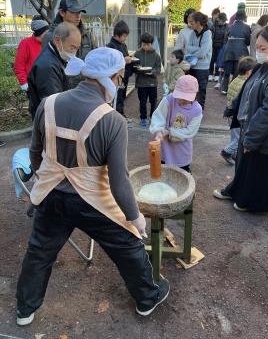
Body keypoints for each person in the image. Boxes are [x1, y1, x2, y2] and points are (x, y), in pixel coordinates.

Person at [16, 47, 170, 327]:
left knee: (39, 252)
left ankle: (25, 309)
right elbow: (119, 180)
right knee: (127, 243)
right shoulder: (113, 121)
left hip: (50, 193)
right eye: (120, 77)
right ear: (113, 77)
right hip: (91, 200)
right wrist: (135, 219)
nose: (120, 82)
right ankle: (147, 298)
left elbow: (35, 152)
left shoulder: (47, 104)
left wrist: (44, 179)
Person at [213, 25, 268, 212]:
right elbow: (248, 88)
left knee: (260, 171)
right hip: (252, 125)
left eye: (263, 49)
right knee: (245, 166)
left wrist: (251, 138)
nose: (258, 52)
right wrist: (233, 108)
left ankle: (254, 204)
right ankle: (236, 191)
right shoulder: (266, 65)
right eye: (257, 47)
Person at [27, 22, 81, 119]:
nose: (74, 53)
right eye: (72, 48)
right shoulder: (47, 67)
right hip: (48, 120)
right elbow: (54, 104)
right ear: (57, 41)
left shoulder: (56, 55)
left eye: (77, 49)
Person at [149, 75, 202, 173]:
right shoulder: (169, 100)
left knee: (181, 173)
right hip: (165, 146)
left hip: (182, 150)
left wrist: (170, 132)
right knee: (163, 170)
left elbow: (190, 131)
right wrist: (158, 131)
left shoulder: (197, 110)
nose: (181, 100)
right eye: (179, 96)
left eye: (185, 98)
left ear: (195, 95)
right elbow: (158, 116)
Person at [42, 0, 95, 87]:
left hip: (85, 87)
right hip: (64, 90)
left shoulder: (86, 35)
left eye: (79, 12)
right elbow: (48, 69)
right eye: (73, 12)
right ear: (62, 12)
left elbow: (94, 57)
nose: (78, 16)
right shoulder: (52, 37)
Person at [221, 56, 256, 165]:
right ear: (249, 72)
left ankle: (235, 155)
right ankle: (226, 152)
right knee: (238, 140)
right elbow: (240, 102)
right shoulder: (245, 84)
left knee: (234, 137)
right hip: (237, 116)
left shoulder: (235, 80)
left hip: (230, 114)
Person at [107, 20, 134, 117]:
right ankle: (115, 115)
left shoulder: (123, 45)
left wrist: (129, 59)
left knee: (122, 95)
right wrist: (124, 59)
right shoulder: (111, 45)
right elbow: (110, 62)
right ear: (118, 34)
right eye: (124, 36)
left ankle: (120, 113)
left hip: (124, 75)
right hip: (116, 76)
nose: (126, 38)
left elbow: (126, 56)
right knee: (116, 96)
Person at [134, 33, 161, 127]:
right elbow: (134, 67)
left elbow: (158, 69)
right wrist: (138, 68)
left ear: (151, 44)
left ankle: (153, 117)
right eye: (144, 44)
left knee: (153, 101)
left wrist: (152, 72)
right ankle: (143, 118)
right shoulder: (137, 54)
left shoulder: (156, 55)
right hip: (141, 83)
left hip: (152, 83)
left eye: (148, 44)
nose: (145, 46)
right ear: (141, 44)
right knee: (142, 102)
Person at [14, 19, 49, 91]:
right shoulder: (25, 43)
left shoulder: (48, 43)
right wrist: (24, 83)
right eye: (46, 33)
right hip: (33, 85)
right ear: (40, 33)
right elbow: (19, 66)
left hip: (48, 83)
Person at [186, 11, 212, 109]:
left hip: (203, 67)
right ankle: (191, 109)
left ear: (198, 22)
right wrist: (198, 49)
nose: (190, 24)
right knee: (191, 89)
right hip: (192, 65)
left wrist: (194, 50)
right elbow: (188, 47)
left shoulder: (207, 33)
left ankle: (199, 111)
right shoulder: (193, 33)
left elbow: (203, 53)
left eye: (191, 22)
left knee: (201, 90)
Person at [221, 10, 251, 94]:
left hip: (229, 51)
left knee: (227, 71)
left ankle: (224, 89)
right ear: (244, 17)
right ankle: (233, 90)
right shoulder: (247, 27)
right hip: (241, 52)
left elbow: (225, 39)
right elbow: (248, 41)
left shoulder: (230, 27)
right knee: (236, 72)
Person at [209, 12, 228, 82]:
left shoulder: (227, 26)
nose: (222, 22)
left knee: (218, 60)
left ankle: (217, 74)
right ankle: (210, 74)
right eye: (221, 20)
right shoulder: (213, 26)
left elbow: (226, 37)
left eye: (224, 21)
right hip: (213, 45)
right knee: (211, 60)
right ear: (218, 19)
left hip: (221, 46)